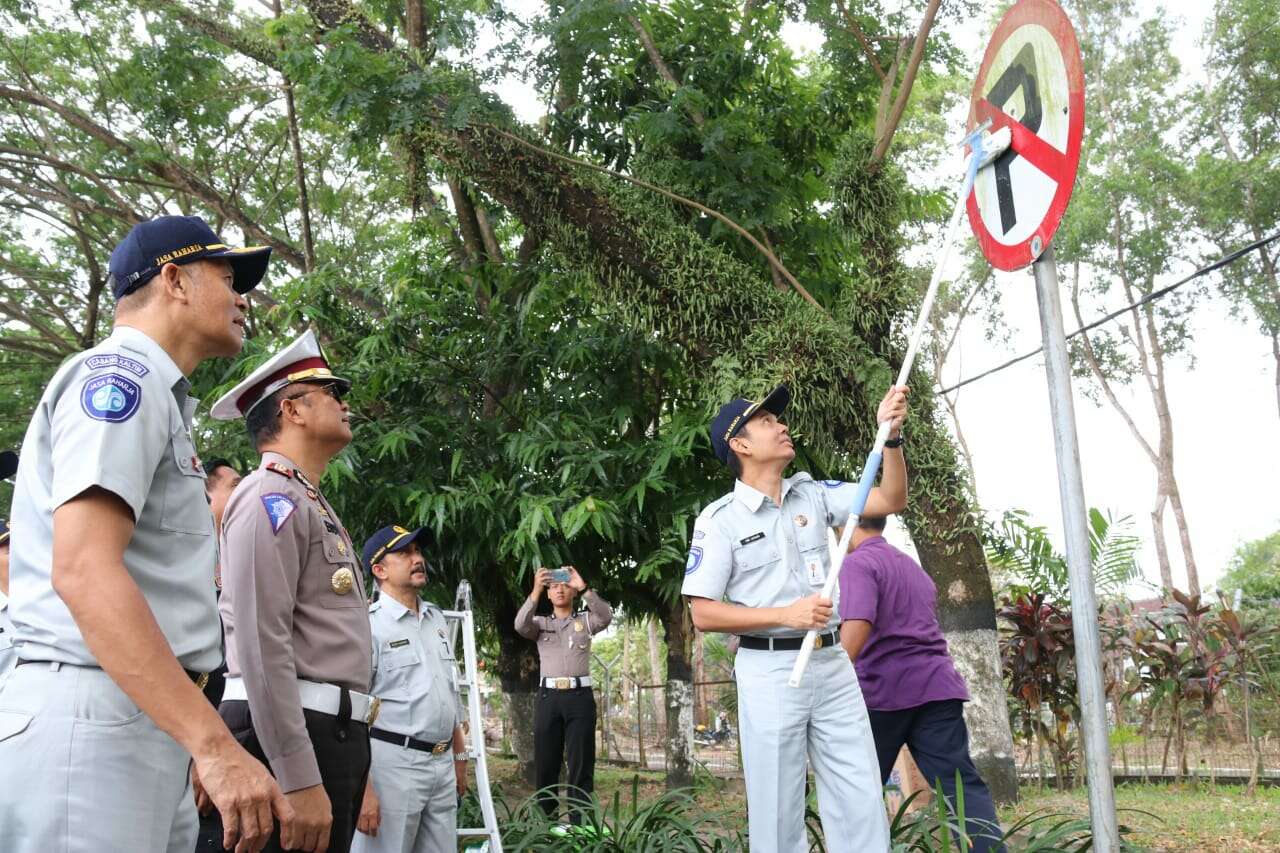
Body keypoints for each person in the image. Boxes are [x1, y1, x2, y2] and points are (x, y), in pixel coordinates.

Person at [0, 216, 291, 853]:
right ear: (174, 280)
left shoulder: (160, 396)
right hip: (94, 714)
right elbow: (83, 570)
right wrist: (213, 743)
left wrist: (192, 732)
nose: (243, 297)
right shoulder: (120, 381)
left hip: (139, 715)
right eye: (227, 275)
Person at [682, 383, 908, 853]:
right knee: (778, 807)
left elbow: (888, 499)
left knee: (860, 795)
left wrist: (889, 438)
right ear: (739, 444)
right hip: (770, 671)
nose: (782, 426)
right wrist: (786, 614)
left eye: (777, 419)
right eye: (767, 421)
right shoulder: (718, 520)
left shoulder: (812, 493)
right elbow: (702, 612)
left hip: (832, 665)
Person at [211, 328, 375, 853]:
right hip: (289, 735)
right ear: (294, 410)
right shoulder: (268, 495)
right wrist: (297, 774)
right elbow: (262, 644)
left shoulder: (304, 498)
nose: (345, 404)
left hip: (328, 733)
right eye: (332, 393)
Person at [838, 516, 1005, 853]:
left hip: (883, 693)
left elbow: (856, 628)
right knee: (961, 787)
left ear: (844, 527)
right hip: (937, 688)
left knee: (856, 791)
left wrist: (831, 682)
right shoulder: (912, 567)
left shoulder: (857, 564)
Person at [352, 524, 468, 853]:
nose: (417, 559)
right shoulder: (367, 626)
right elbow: (353, 712)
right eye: (404, 553)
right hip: (392, 766)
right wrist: (363, 789)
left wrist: (459, 755)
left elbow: (448, 693)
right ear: (379, 570)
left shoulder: (435, 620)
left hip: (441, 765)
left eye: (418, 551)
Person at [515, 566, 612, 822]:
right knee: (547, 764)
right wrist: (535, 590)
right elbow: (520, 625)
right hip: (549, 699)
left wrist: (584, 587)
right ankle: (546, 827)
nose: (559, 589)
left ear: (572, 591)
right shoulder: (539, 624)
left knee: (581, 765)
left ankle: (582, 828)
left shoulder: (584, 622)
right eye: (554, 586)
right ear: (548, 593)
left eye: (564, 585)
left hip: (579, 699)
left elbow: (605, 616)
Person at [196, 458, 245, 851]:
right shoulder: (181, 563)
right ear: (205, 493)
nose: (244, 491)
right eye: (233, 485)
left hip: (240, 735)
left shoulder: (239, 558)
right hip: (196, 740)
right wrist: (199, 748)